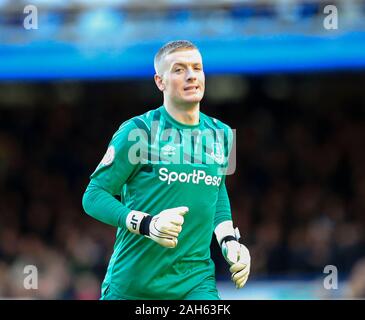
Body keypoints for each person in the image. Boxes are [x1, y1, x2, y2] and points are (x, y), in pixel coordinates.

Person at [82, 40, 251, 300]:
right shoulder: (139, 131)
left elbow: (216, 191)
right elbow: (93, 196)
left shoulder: (223, 133)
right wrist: (147, 224)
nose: (191, 75)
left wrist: (229, 239)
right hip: (133, 285)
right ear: (160, 81)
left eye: (197, 67)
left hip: (195, 283)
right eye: (179, 69)